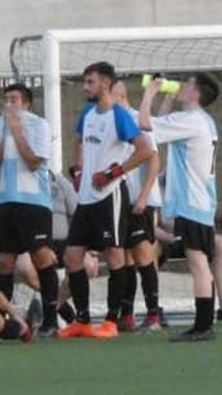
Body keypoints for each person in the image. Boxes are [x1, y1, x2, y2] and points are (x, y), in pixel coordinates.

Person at [60, 62, 156, 340]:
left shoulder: (120, 115)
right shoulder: (88, 112)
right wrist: (78, 170)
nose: (85, 87)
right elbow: (80, 141)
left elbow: (145, 150)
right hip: (86, 198)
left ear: (104, 84)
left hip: (110, 195)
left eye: (90, 82)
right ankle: (82, 319)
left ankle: (112, 321)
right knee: (73, 255)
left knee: (115, 255)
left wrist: (113, 172)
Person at [139, 72, 221, 342]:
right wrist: (167, 98)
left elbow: (145, 124)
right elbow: (162, 127)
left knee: (197, 262)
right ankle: (204, 323)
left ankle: (203, 325)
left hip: (192, 202)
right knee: (198, 261)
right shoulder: (203, 121)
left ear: (196, 94)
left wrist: (150, 92)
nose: (182, 87)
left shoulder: (192, 120)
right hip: (201, 201)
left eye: (187, 85)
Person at [0, 83, 62, 338]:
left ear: (26, 103)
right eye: (6, 99)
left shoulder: (39, 125)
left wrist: (17, 133)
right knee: (3, 262)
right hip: (6, 201)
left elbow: (34, 161)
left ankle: (51, 320)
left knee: (42, 258)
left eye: (14, 99)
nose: (9, 104)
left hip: (34, 202)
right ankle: (4, 323)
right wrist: (6, 133)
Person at [111, 80, 165, 333]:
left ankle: (154, 314)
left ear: (119, 96)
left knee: (143, 253)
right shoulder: (106, 121)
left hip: (138, 200)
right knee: (124, 258)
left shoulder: (135, 119)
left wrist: (143, 197)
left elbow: (154, 160)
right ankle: (128, 314)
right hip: (117, 200)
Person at [16, 171, 99, 324]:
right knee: (23, 265)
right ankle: (61, 308)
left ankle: (55, 305)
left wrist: (88, 247)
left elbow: (78, 215)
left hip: (64, 242)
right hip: (35, 243)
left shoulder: (61, 183)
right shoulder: (21, 184)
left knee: (89, 266)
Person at [155, 219, 222, 326]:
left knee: (220, 243)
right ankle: (153, 309)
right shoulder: (153, 203)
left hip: (191, 237)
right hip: (164, 240)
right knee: (151, 247)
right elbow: (150, 226)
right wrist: (172, 238)